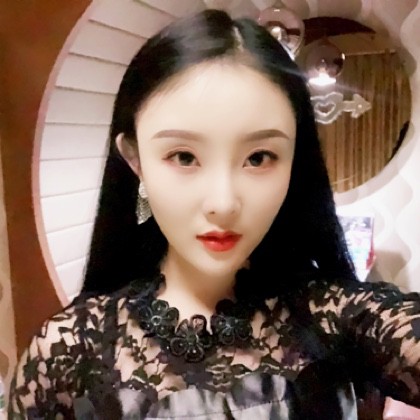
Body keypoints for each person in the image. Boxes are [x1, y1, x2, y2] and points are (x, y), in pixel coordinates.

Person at [8, 9, 420, 419]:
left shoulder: (337, 320)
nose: (222, 203)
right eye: (184, 156)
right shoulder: (67, 352)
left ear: (295, 161)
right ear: (135, 160)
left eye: (259, 157)